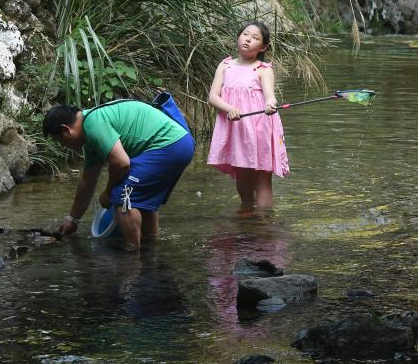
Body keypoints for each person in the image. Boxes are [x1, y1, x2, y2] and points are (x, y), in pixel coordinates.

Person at [42, 100, 194, 249]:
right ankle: (150, 248)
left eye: (61, 142)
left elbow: (122, 163)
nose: (65, 147)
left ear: (66, 130)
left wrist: (108, 192)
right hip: (180, 143)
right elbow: (87, 182)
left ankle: (132, 257)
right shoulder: (90, 133)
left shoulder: (93, 124)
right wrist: (72, 220)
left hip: (169, 145)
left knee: (122, 195)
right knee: (140, 197)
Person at [206, 21, 290, 210]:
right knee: (242, 173)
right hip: (236, 128)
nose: (248, 39)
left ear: (263, 46)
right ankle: (247, 216)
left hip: (259, 126)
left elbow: (270, 97)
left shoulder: (262, 69)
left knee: (262, 177)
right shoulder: (225, 65)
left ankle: (263, 223)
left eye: (255, 38)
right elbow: (212, 97)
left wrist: (270, 104)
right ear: (239, 36)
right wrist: (229, 109)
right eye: (245, 34)